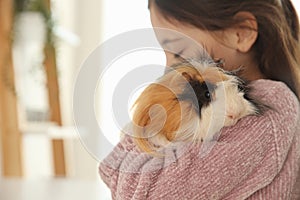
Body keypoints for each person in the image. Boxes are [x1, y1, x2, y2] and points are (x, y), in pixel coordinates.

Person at [99, 0, 300, 199]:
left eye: (179, 52)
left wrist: (143, 133)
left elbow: (148, 194)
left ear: (241, 33)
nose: (169, 68)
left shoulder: (269, 106)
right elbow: (108, 168)